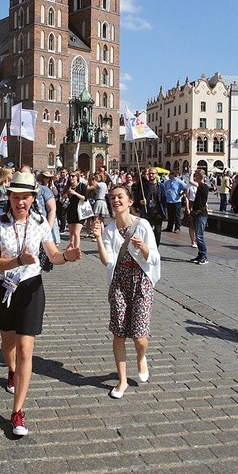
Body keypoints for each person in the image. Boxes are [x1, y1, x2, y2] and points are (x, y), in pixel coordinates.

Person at [0, 171, 81, 436]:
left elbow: (52, 255)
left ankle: (17, 411)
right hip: (5, 287)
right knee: (8, 345)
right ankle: (11, 371)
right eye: (16, 197)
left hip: (31, 289)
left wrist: (66, 256)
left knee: (25, 349)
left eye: (26, 197)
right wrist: (18, 261)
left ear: (34, 198)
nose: (21, 202)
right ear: (9, 197)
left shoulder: (40, 221)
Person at [92, 184, 160, 399]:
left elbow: (154, 257)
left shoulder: (143, 225)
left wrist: (143, 248)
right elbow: (107, 261)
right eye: (112, 197)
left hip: (141, 281)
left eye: (120, 197)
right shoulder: (110, 229)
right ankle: (122, 381)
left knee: (139, 337)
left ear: (130, 202)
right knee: (119, 332)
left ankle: (141, 356)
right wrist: (97, 239)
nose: (115, 201)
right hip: (119, 282)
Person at [133, 166, 167, 247]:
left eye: (153, 173)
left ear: (156, 175)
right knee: (146, 230)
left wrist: (165, 212)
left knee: (158, 232)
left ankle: (156, 247)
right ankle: (147, 247)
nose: (151, 175)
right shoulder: (144, 186)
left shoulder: (161, 186)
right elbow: (138, 197)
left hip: (157, 211)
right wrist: (141, 201)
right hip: (147, 211)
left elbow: (164, 200)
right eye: (149, 173)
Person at [63, 170, 88, 248]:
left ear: (77, 177)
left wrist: (75, 193)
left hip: (80, 212)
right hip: (71, 211)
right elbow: (62, 199)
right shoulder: (67, 187)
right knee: (71, 233)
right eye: (70, 176)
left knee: (76, 233)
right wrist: (64, 197)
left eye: (73, 176)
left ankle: (77, 249)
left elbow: (85, 198)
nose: (71, 178)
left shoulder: (82, 185)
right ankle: (71, 248)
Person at [189, 169, 209, 265]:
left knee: (200, 236)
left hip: (202, 215)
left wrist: (191, 172)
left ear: (199, 177)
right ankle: (200, 255)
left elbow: (190, 181)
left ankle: (204, 256)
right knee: (198, 235)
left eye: (195, 175)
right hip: (198, 214)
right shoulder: (201, 187)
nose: (194, 177)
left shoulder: (203, 186)